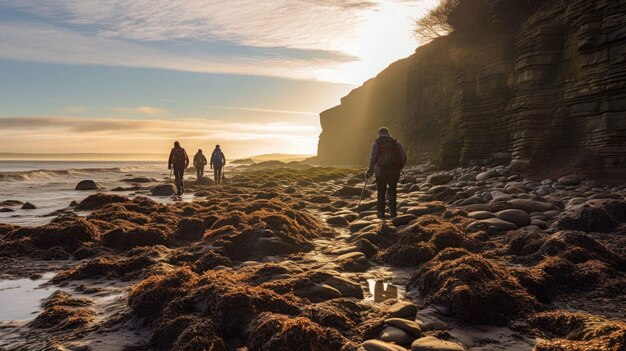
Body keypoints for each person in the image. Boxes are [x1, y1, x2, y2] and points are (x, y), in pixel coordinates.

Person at [366, 127, 407, 219]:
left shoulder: (377, 143)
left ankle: (381, 212)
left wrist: (370, 172)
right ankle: (393, 211)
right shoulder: (395, 142)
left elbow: (373, 159)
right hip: (394, 172)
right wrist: (399, 166)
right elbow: (404, 156)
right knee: (392, 190)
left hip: (380, 172)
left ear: (379, 134)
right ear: (388, 133)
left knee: (381, 191)